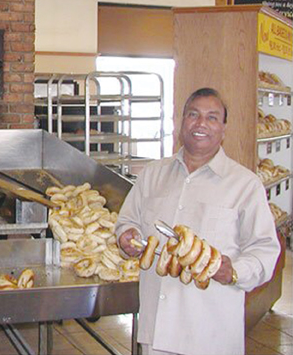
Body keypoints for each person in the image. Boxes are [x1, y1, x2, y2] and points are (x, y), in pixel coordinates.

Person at [116, 87, 280, 355]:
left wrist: (235, 271)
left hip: (210, 335)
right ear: (181, 122)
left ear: (224, 128)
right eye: (193, 114)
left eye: (212, 117)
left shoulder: (245, 185)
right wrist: (126, 236)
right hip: (156, 332)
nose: (201, 123)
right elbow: (127, 220)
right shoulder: (152, 175)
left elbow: (264, 251)